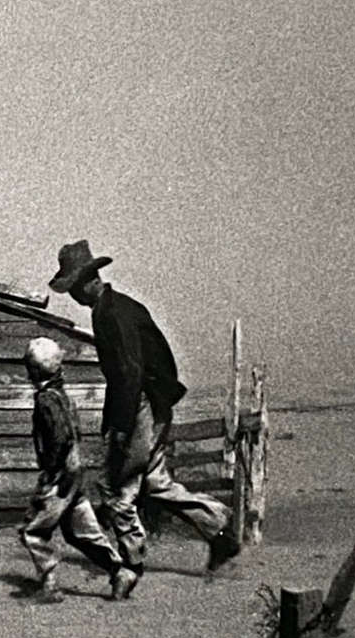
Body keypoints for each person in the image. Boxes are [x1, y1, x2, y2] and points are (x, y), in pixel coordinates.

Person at [47, 241, 236, 575]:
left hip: (142, 405)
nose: (73, 295)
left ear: (90, 280)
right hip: (149, 403)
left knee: (116, 486)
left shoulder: (113, 314)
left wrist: (120, 428)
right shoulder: (114, 308)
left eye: (74, 287)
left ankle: (131, 561)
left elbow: (130, 373)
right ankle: (217, 524)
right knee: (156, 483)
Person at [18, 337, 139, 603]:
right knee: (81, 531)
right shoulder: (65, 397)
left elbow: (60, 438)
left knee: (33, 529)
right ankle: (119, 571)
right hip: (75, 472)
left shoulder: (46, 400)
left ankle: (49, 585)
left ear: (34, 370)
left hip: (60, 474)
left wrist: (53, 472)